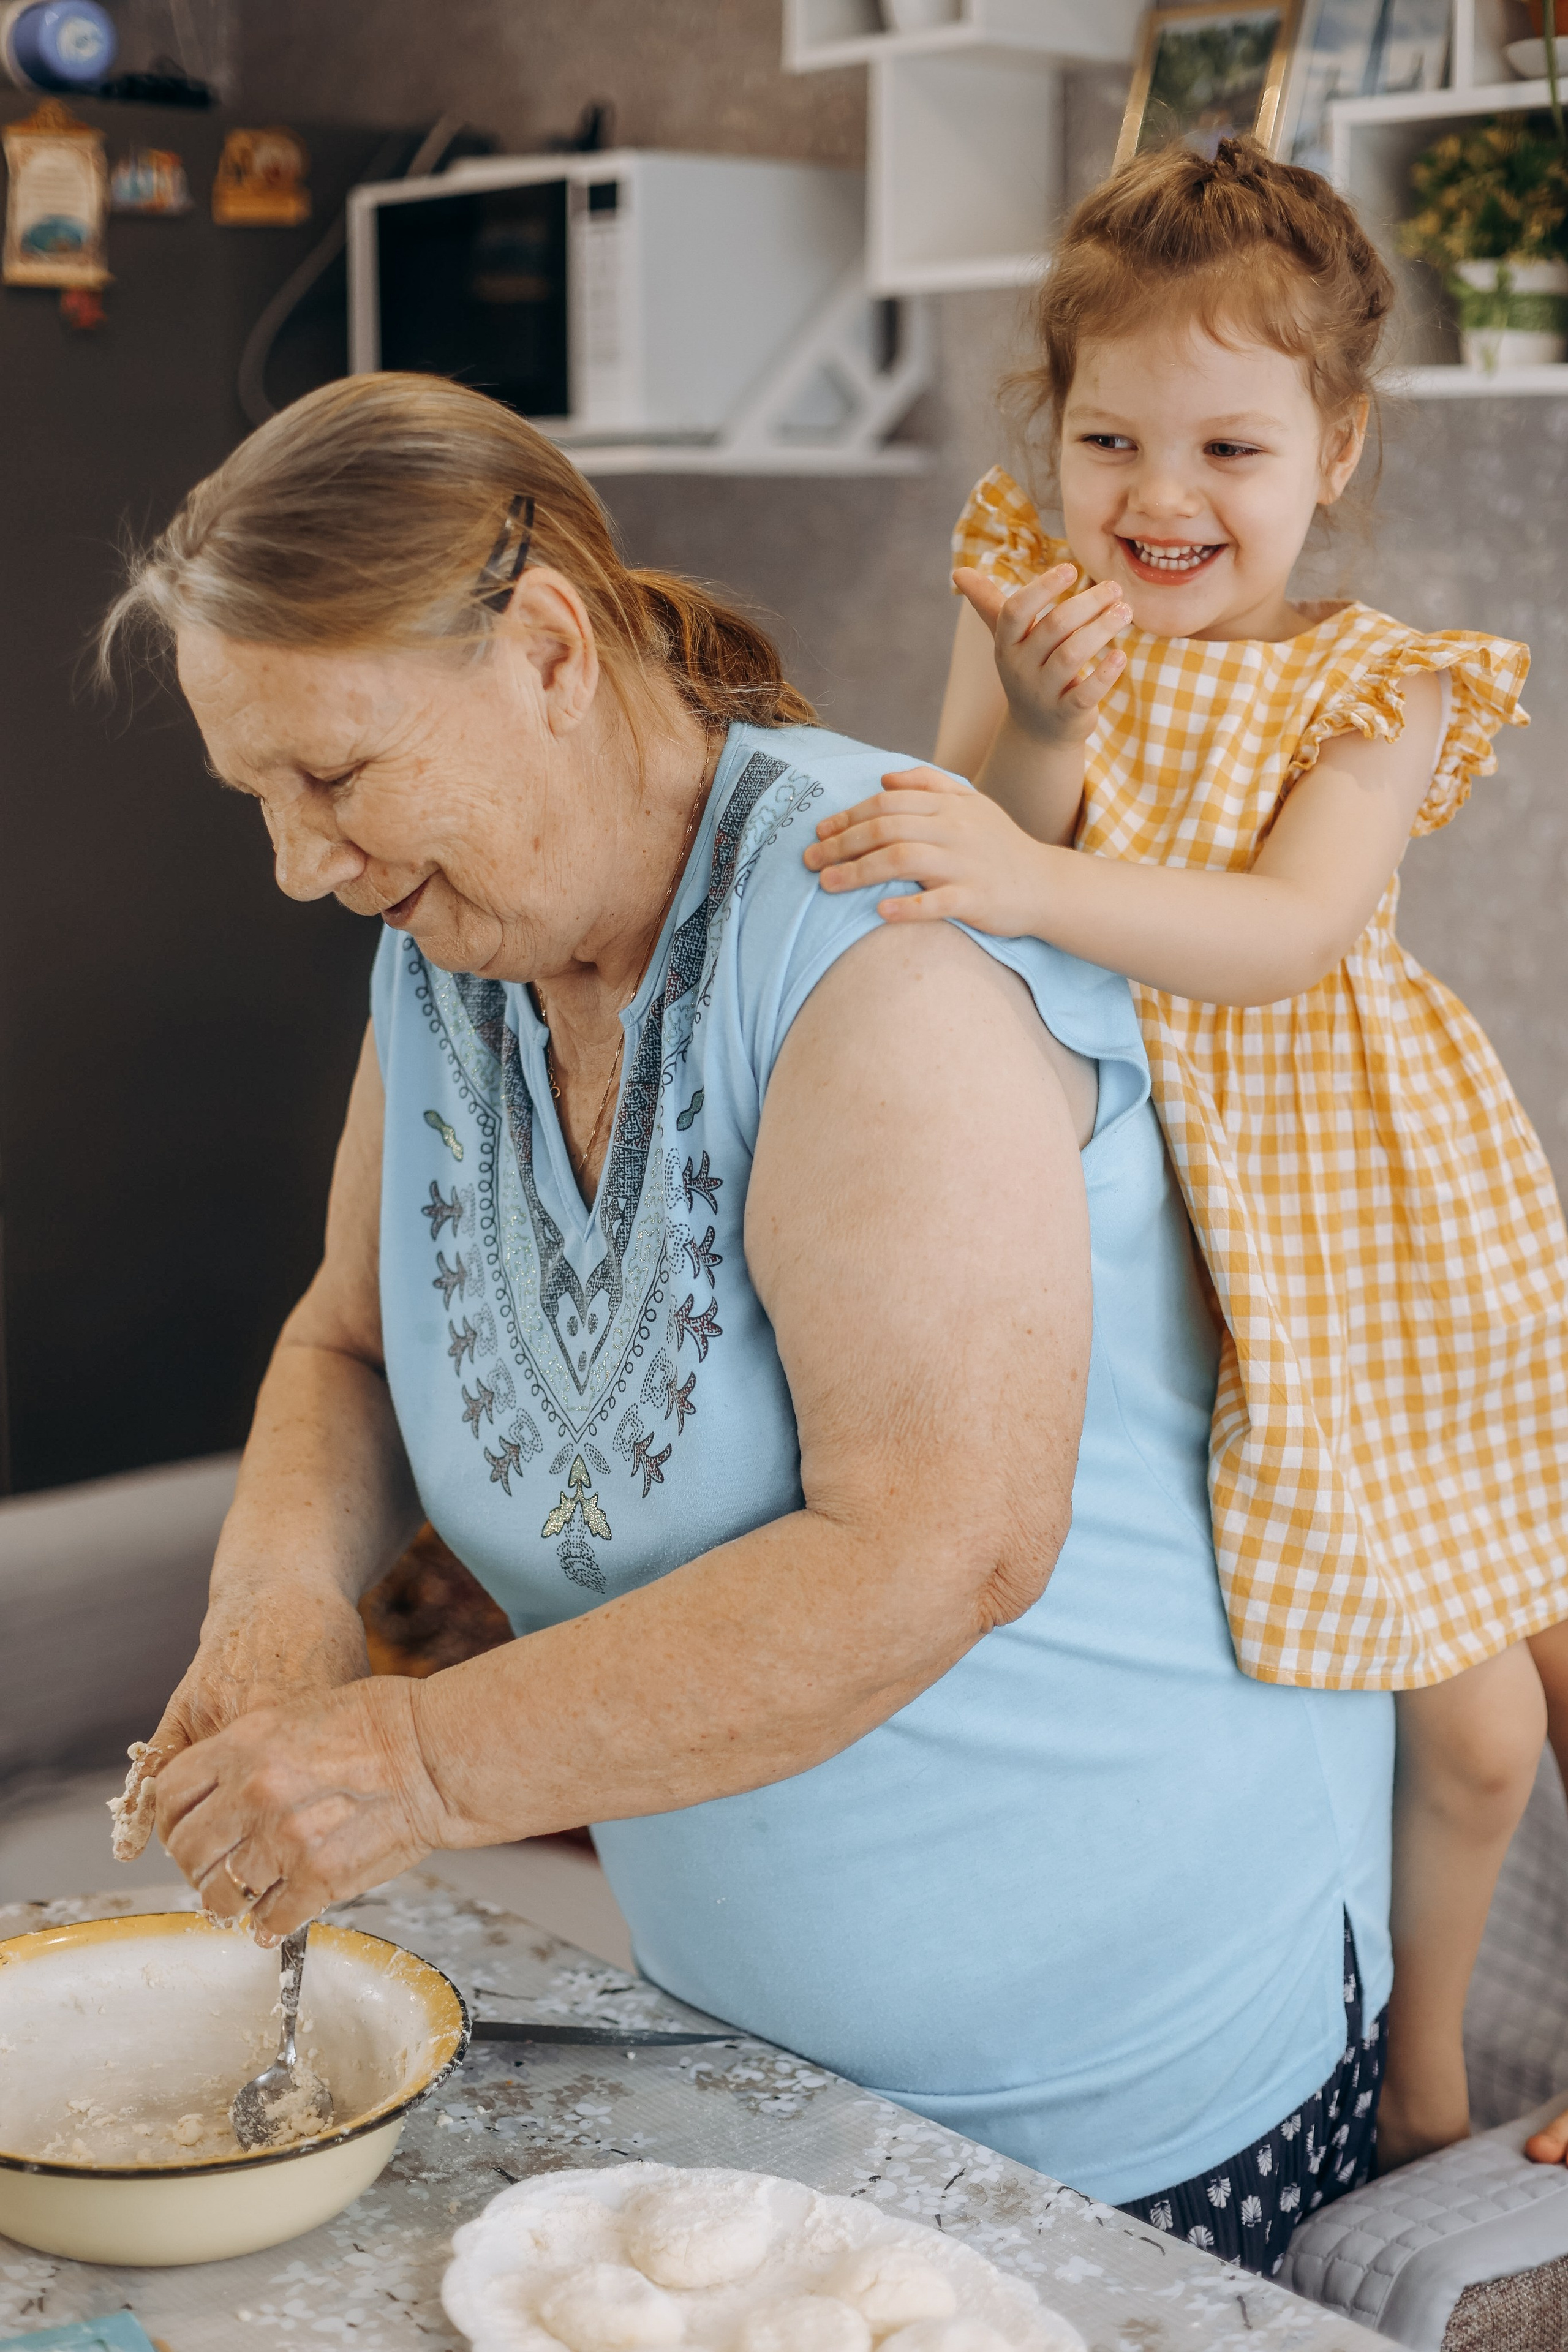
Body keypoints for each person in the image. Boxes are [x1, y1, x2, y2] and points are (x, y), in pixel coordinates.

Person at [106, 372, 1394, 2274]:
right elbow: (352, 1342)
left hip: (1105, 2103)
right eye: (260, 797)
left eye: (338, 777)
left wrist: (414, 1769)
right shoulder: (450, 949)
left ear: (548, 648)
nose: (302, 864)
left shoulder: (873, 943)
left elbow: (949, 1544)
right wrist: (281, 1607)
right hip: (759, 2063)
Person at [804, 136, 1568, 2174]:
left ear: (1335, 448)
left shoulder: (1380, 686)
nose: (1159, 497)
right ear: (1051, 436)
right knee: (1328, 1680)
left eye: (1228, 446)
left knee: (1494, 1714)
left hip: (1365, 1220)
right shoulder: (1028, 591)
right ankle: (1395, 2064)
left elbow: (1288, 934)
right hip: (1149, 1211)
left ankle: (1427, 2086)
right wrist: (1037, 729)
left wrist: (1034, 870)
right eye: (1112, 435)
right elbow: (972, 838)